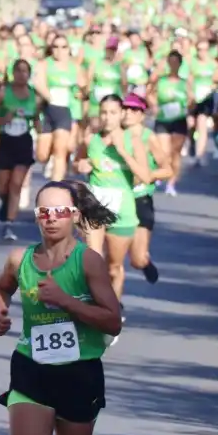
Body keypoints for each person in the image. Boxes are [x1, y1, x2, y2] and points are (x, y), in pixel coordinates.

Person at [0, 183, 123, 435]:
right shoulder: (20, 259)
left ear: (75, 216)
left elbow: (112, 320)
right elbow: (0, 287)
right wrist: (0, 311)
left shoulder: (87, 261)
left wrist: (67, 301)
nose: (51, 219)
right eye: (43, 212)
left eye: (60, 212)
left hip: (79, 374)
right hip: (31, 369)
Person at [75, 96, 151, 304]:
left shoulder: (132, 141)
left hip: (123, 211)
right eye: (104, 113)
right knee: (93, 260)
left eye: (113, 113)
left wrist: (123, 152)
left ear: (121, 114)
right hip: (95, 207)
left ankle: (111, 312)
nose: (107, 118)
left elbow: (145, 177)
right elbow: (78, 161)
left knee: (113, 269)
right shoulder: (92, 140)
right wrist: (81, 165)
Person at [119, 93, 168, 292]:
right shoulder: (113, 135)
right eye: (126, 108)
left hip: (140, 199)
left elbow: (167, 169)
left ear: (142, 114)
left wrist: (147, 174)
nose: (129, 113)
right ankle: (114, 301)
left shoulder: (149, 137)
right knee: (112, 260)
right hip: (117, 200)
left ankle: (145, 264)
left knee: (137, 259)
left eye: (134, 109)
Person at [0, 59, 41, 241]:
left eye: (25, 71)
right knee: (3, 187)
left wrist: (39, 125)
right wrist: (5, 117)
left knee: (16, 184)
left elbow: (37, 121)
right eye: (18, 70)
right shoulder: (4, 92)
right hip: (5, 141)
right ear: (13, 72)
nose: (22, 74)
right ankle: (5, 204)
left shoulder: (34, 96)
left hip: (23, 141)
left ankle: (9, 224)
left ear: (29, 74)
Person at [36, 34, 86, 182]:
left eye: (64, 47)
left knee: (61, 151)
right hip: (48, 109)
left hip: (66, 111)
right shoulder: (45, 64)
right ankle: (50, 159)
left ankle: (55, 186)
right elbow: (39, 83)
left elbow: (84, 88)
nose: (60, 50)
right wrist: (50, 97)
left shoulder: (75, 67)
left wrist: (80, 93)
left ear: (69, 49)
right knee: (41, 155)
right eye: (56, 47)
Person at [151, 50, 192, 195]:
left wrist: (190, 105)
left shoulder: (184, 83)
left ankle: (171, 183)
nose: (173, 65)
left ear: (180, 65)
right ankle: (162, 173)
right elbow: (151, 94)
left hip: (179, 120)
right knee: (163, 151)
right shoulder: (161, 80)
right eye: (171, 62)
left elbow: (191, 100)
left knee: (175, 153)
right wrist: (154, 105)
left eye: (176, 62)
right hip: (163, 119)